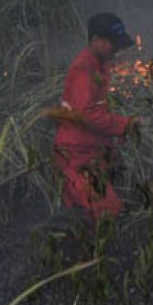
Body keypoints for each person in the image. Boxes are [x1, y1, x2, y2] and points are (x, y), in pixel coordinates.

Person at [47, 13, 138, 225]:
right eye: (112, 44)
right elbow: (88, 114)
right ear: (96, 40)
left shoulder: (99, 64)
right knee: (101, 213)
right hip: (76, 155)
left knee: (95, 213)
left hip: (88, 152)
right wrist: (125, 125)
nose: (117, 49)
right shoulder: (84, 69)